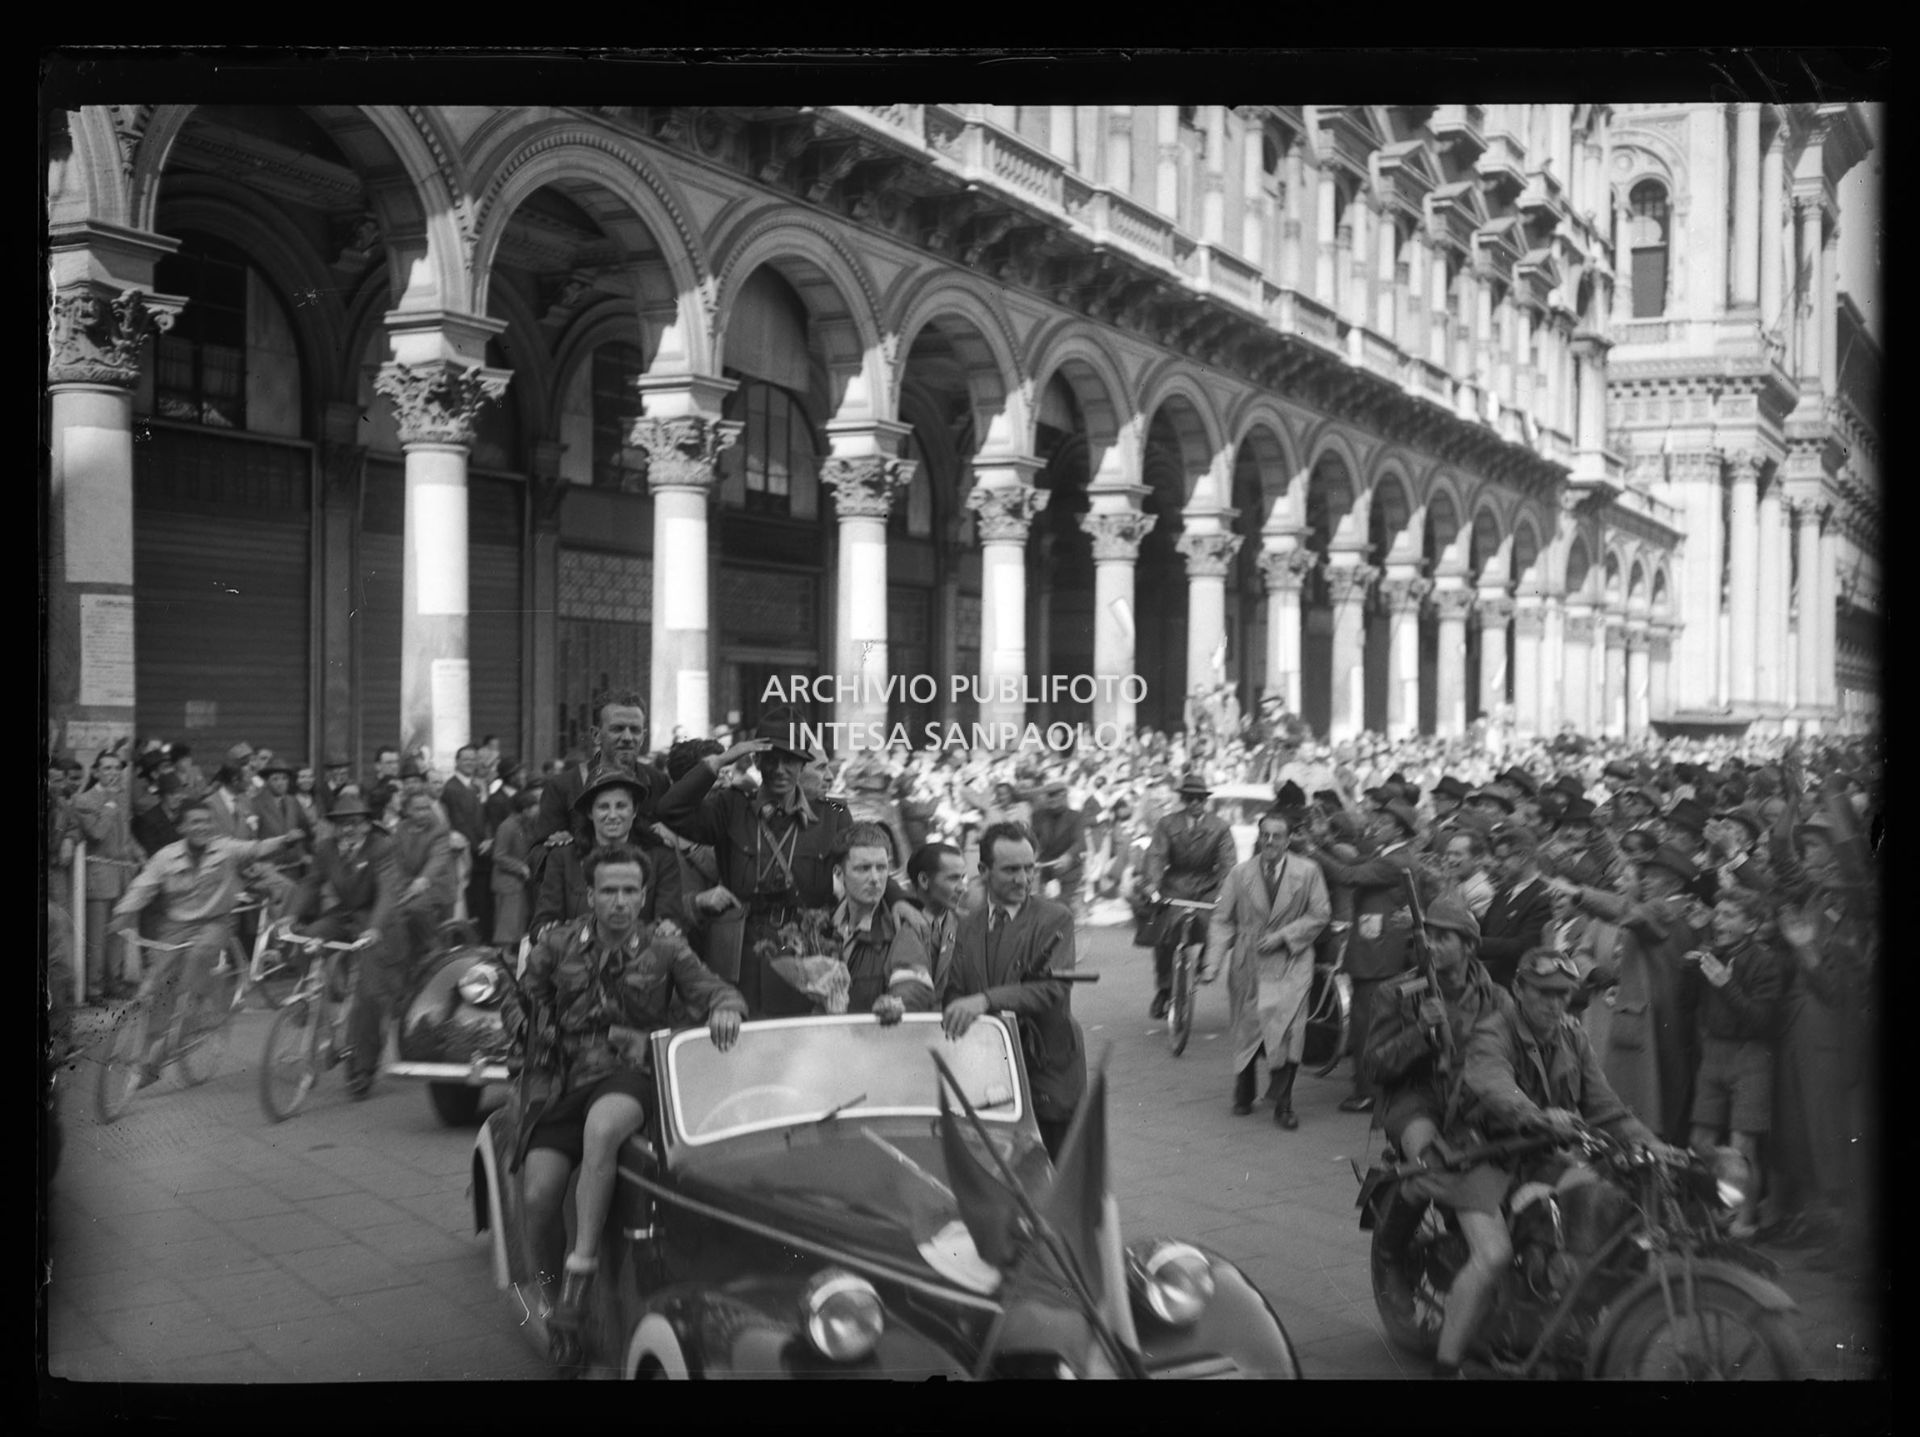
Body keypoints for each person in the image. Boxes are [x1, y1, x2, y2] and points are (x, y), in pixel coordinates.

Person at [501, 845, 745, 1365]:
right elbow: (518, 996)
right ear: (590, 895)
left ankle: (580, 1278)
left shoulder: (664, 949)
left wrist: (725, 1010)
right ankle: (551, 1305)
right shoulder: (558, 943)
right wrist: (528, 1029)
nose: (619, 902)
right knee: (539, 1197)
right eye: (608, 891)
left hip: (628, 1074)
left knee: (604, 1129)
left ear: (643, 895)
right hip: (562, 1083)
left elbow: (718, 991)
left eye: (630, 891)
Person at [1438, 947, 1668, 1379]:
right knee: (1493, 1256)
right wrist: (1539, 1115)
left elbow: (1605, 1107)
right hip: (1476, 1154)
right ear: (1518, 989)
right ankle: (1446, 1365)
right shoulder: (1494, 1031)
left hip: (1538, 1153)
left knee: (1601, 1208)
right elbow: (1493, 1084)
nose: (1556, 1003)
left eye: (1564, 994)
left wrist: (1654, 1145)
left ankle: (1559, 1322)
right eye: (1544, 992)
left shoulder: (1573, 1036)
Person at [1362, 896, 1515, 1378]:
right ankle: (1390, 1251)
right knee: (1431, 1162)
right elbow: (1374, 1066)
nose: (1432, 943)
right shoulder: (1399, 992)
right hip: (1416, 1101)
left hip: (1471, 1101)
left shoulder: (1496, 996)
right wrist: (1421, 1035)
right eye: (1429, 934)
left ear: (1469, 945)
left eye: (1445, 936)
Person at [654, 708, 850, 1016]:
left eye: (791, 760)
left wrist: (900, 900)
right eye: (771, 759)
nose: (780, 769)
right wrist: (719, 761)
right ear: (757, 761)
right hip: (742, 955)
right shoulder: (731, 808)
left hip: (808, 954)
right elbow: (669, 810)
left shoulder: (832, 817)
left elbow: (864, 863)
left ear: (803, 763)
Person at [108, 799, 300, 1085]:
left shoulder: (226, 848)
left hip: (215, 923)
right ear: (182, 826)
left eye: (205, 821)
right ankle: (150, 1052)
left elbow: (256, 849)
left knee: (200, 956)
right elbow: (143, 885)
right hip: (176, 925)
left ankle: (193, 1005)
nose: (201, 827)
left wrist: (285, 840)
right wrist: (123, 913)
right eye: (194, 822)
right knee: (158, 984)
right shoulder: (166, 856)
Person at [1542, 844, 1709, 1143]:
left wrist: (1581, 895)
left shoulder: (1666, 909)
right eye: (1643, 875)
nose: (1644, 881)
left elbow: (1626, 912)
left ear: (1673, 883)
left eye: (1653, 876)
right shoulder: (1676, 909)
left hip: (1654, 1023)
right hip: (1660, 1020)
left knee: (1644, 1112)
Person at [939, 822, 1084, 1160]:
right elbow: (956, 989)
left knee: (1054, 1173)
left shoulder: (1055, 918)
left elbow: (1052, 988)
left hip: (1047, 1070)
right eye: (1011, 870)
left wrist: (985, 1000)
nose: (1023, 879)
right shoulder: (968, 925)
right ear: (984, 871)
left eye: (1029, 868)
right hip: (989, 1075)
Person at [1207, 807, 1331, 1127]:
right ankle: (1244, 1088)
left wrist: (1284, 936)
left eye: (1277, 836)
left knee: (1288, 1028)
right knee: (1249, 1026)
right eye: (1265, 835)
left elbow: (1320, 914)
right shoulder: (1240, 874)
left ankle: (1284, 1104)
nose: (1270, 841)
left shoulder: (1308, 872)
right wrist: (1212, 962)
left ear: (1289, 840)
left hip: (1292, 959)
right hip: (1250, 959)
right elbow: (1221, 919)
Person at [1304, 794, 1424, 1114]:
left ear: (1399, 831)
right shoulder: (1389, 854)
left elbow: (1348, 875)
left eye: (1384, 823)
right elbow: (1355, 863)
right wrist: (1327, 843)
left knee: (1367, 1024)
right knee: (1365, 1021)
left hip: (1379, 954)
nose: (1376, 825)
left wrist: (1313, 850)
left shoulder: (1395, 860)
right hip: (1374, 949)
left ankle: (1368, 1091)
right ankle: (1368, 1085)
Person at [1681, 887, 1783, 1238]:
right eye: (1718, 914)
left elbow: (1762, 1021)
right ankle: (1712, 1214)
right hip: (1714, 1054)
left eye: (1729, 915)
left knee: (1743, 1146)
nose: (1719, 921)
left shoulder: (1765, 961)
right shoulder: (1710, 954)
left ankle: (1744, 1222)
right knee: (1700, 1141)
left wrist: (1726, 985)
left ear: (1752, 924)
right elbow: (1686, 1001)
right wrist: (1693, 961)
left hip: (1751, 1055)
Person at [284, 794, 390, 1089]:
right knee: (306, 937)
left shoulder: (382, 847)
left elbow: (387, 893)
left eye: (355, 823)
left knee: (368, 995)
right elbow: (311, 883)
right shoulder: (325, 848)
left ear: (367, 825)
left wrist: (375, 928)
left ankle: (362, 1069)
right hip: (343, 915)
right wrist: (290, 916)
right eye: (342, 824)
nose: (348, 830)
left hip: (374, 921)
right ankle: (310, 999)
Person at [1141, 773, 1237, 1020]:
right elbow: (1156, 856)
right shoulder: (1167, 824)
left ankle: (1207, 960)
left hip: (1207, 885)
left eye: (1200, 799)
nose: (1195, 803)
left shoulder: (1220, 827)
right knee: (1164, 934)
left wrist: (1225, 891)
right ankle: (1164, 988)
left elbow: (1228, 864)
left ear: (1205, 801)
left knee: (1219, 921)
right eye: (1190, 798)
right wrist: (1152, 885)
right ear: (1183, 799)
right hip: (1174, 883)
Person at [833, 822, 936, 1021]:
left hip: (878, 1043)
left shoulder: (904, 927)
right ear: (839, 873)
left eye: (881, 868)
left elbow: (913, 987)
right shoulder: (819, 925)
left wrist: (895, 1004)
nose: (875, 878)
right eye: (863, 869)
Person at [1478, 825, 1554, 990]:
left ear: (1523, 857)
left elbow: (1524, 946)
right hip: (1487, 983)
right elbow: (1487, 927)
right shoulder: (1505, 891)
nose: (1496, 864)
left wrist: (1475, 943)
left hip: (1512, 988)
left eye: (1501, 858)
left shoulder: (1543, 896)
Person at [905, 840, 968, 995]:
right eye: (953, 879)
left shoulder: (969, 927)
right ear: (924, 880)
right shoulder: (898, 926)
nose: (962, 888)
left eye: (963, 878)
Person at [489, 785, 540, 950]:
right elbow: (499, 855)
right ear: (524, 810)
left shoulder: (523, 825)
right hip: (507, 885)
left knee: (516, 928)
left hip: (517, 885)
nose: (536, 812)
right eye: (534, 808)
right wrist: (520, 867)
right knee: (506, 931)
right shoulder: (507, 826)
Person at [1029, 779, 1086, 917]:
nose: (1052, 799)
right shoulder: (1038, 816)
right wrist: (1031, 856)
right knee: (1043, 906)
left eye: (1055, 795)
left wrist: (1068, 855)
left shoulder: (1075, 816)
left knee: (1060, 906)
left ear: (1064, 796)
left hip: (1070, 867)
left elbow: (1080, 842)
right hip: (1045, 866)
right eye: (1049, 796)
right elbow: (1032, 839)